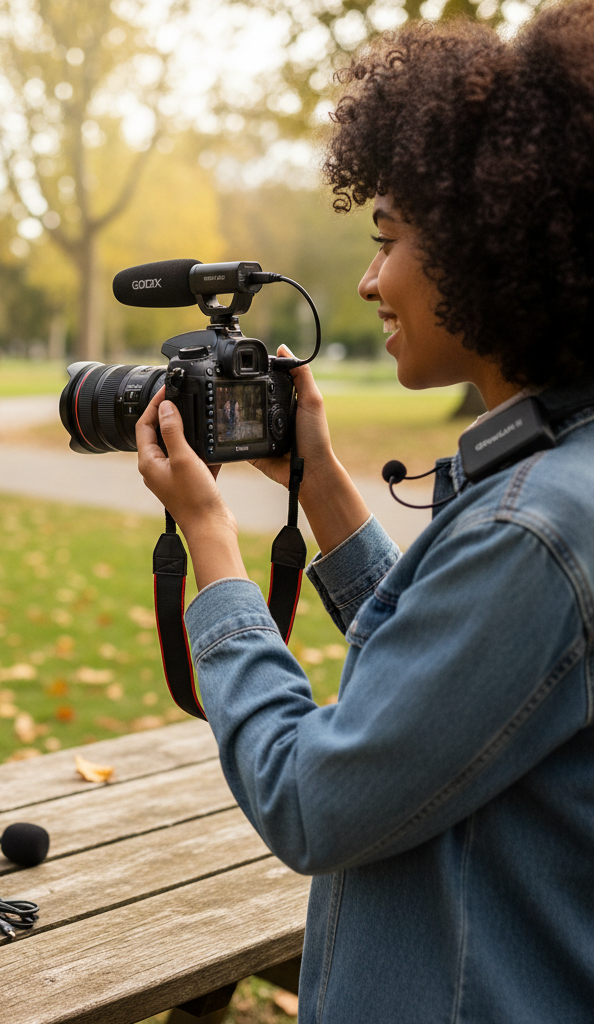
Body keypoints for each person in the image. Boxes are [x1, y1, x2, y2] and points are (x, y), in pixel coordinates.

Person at [136, 5, 594, 1021]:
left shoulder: (536, 528)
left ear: (489, 245)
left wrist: (211, 548)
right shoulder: (562, 471)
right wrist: (324, 487)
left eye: (387, 240)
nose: (367, 278)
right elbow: (458, 684)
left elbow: (311, 798)